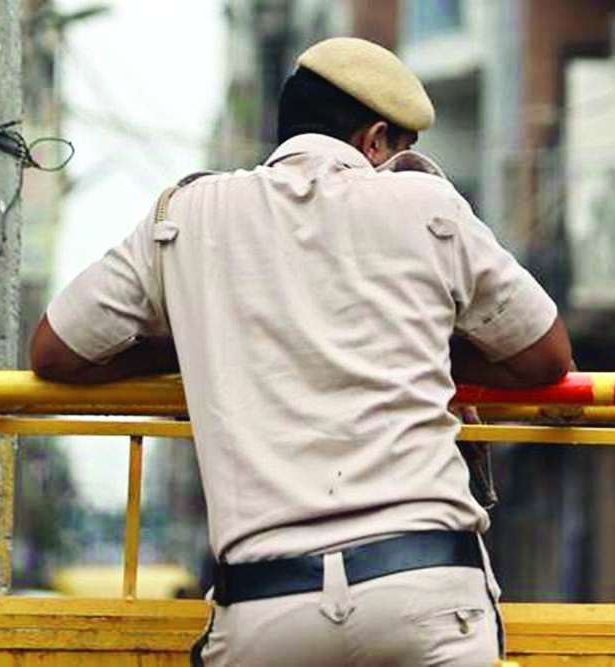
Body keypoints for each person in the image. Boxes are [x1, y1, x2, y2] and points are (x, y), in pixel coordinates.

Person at [29, 37, 572, 666]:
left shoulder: (188, 212)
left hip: (266, 607)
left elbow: (55, 352)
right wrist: (426, 348)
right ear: (374, 140)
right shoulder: (425, 204)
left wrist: (199, 342)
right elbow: (546, 357)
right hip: (427, 593)